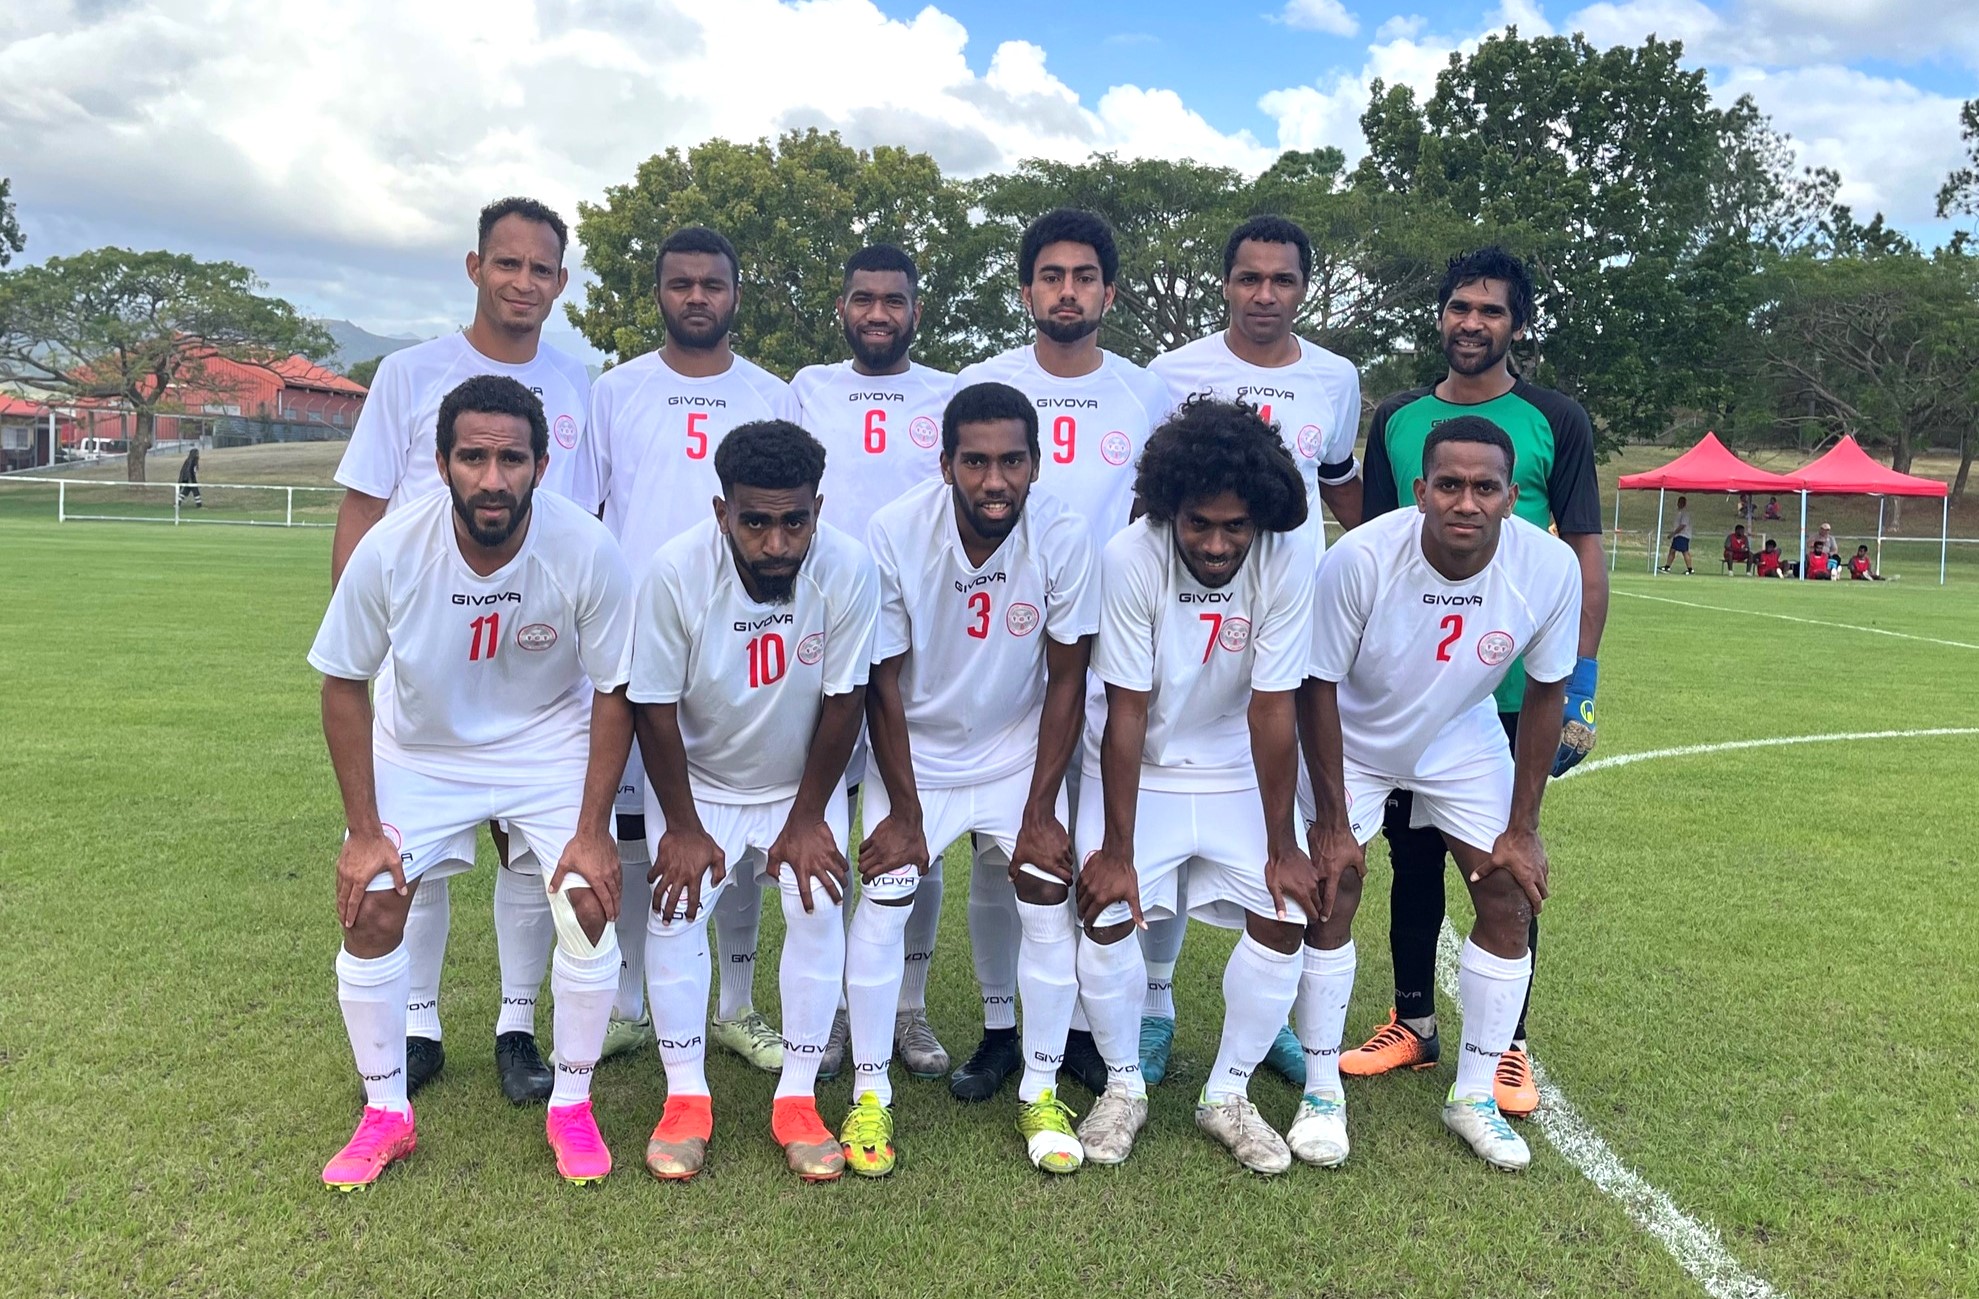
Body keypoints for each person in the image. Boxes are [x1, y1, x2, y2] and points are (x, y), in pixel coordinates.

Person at [310, 375, 633, 1189]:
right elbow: (343, 682)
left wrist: (592, 830)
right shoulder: (392, 547)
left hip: (544, 743)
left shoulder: (586, 547)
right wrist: (363, 832)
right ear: (441, 462)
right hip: (422, 747)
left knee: (587, 899)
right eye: (473, 458)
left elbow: (614, 688)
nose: (493, 479)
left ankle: (572, 1104)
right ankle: (386, 1112)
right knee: (371, 901)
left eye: (512, 459)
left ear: (542, 465)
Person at [327, 196, 595, 1105]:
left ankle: (517, 1025)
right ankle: (418, 1024)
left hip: (537, 659)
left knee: (529, 855)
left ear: (560, 282)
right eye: (506, 263)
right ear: (475, 267)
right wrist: (363, 638)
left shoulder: (575, 381)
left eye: (541, 268)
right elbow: (365, 508)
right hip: (427, 655)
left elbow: (585, 516)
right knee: (416, 852)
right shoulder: (409, 373)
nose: (523, 282)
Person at [1350, 248, 1607, 1119]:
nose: (1471, 322)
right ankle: (1412, 1020)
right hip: (1411, 685)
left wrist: (1581, 679)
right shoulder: (1397, 415)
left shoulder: (1554, 418)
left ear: (1516, 324)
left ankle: (1507, 1046)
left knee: (1504, 859)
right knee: (1410, 858)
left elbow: (1582, 552)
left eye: (1490, 310)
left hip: (1507, 687)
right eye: (1459, 306)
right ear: (1440, 315)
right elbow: (1379, 540)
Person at [1298, 416, 1580, 1171]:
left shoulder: (1549, 566)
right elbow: (1315, 685)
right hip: (1353, 735)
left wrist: (1522, 827)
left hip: (1459, 734)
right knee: (1332, 885)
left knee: (1508, 892)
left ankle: (1474, 1095)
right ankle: (1320, 1091)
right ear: (1420, 492)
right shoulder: (1359, 559)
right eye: (1449, 485)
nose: (1466, 502)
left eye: (1485, 487)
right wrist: (1332, 822)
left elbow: (1546, 692)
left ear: (1511, 497)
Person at [840, 381, 1098, 1177]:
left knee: (1045, 894)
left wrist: (1041, 811)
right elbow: (881, 679)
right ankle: (869, 1092)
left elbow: (1066, 678)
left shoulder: (1063, 532)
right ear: (945, 463)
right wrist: (904, 812)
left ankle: (1040, 1090)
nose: (994, 481)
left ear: (1036, 463)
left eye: (1011, 461)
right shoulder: (894, 530)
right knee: (885, 897)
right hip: (915, 754)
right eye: (976, 461)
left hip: (1016, 753)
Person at [950, 209, 1171, 1102]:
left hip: (1112, 640)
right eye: (1051, 276)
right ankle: (1000, 1025)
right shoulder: (984, 381)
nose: (1066, 291)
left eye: (1083, 276)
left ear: (1108, 292)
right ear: (1025, 290)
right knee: (1001, 847)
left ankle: (1081, 1028)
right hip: (1006, 646)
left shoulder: (1146, 391)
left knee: (1100, 836)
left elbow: (1159, 510)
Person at [1138, 214, 1363, 1086]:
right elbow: (1151, 495)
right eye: (1248, 278)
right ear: (1224, 283)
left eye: (1282, 280)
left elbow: (1338, 485)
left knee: (1288, 827)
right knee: (1163, 813)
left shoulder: (1335, 376)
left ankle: (1269, 1022)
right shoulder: (1172, 372)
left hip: (1287, 624)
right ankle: (1154, 1005)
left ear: (1304, 287)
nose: (1264, 295)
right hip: (1192, 617)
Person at [1073, 397, 1318, 1174]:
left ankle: (1227, 1093)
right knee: (1105, 909)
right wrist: (1115, 850)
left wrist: (1283, 846)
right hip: (1138, 764)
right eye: (1198, 524)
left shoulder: (1286, 558)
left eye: (1234, 526)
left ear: (1260, 517)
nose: (1215, 545)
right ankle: (1121, 1087)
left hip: (1233, 766)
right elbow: (1126, 709)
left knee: (1286, 910)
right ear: (1168, 509)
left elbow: (1273, 710)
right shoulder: (1130, 556)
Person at [631, 420, 878, 1183]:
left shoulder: (848, 567)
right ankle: (685, 1098)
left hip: (799, 784)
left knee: (816, 901)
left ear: (817, 509)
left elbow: (846, 699)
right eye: (755, 522)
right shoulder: (674, 572)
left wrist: (806, 819)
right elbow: (653, 705)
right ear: (722, 512)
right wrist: (681, 826)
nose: (776, 543)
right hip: (699, 781)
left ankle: (797, 1099)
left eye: (795, 522)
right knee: (674, 909)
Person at [585, 225, 805, 1079]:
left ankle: (737, 1007)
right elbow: (589, 515)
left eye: (712, 283)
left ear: (735, 293)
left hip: (744, 647)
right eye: (681, 283)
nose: (697, 297)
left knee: (737, 836)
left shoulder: (771, 393)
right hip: (638, 644)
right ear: (660, 293)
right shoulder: (616, 391)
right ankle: (629, 1004)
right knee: (637, 834)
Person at [792, 244, 955, 1084]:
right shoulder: (807, 389)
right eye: (864, 298)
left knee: (911, 831)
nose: (879, 313)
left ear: (916, 311)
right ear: (842, 307)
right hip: (818, 632)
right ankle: (825, 1012)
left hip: (912, 643)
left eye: (894, 300)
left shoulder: (948, 392)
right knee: (819, 824)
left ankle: (906, 1007)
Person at [1660, 496, 1694, 573]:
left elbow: (1683, 525)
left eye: (1681, 502)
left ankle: (1690, 569)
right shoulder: (1679, 512)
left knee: (1685, 551)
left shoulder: (1685, 513)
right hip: (1678, 535)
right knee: (1672, 550)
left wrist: (1673, 533)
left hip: (1683, 535)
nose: (1678, 504)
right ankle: (1667, 566)